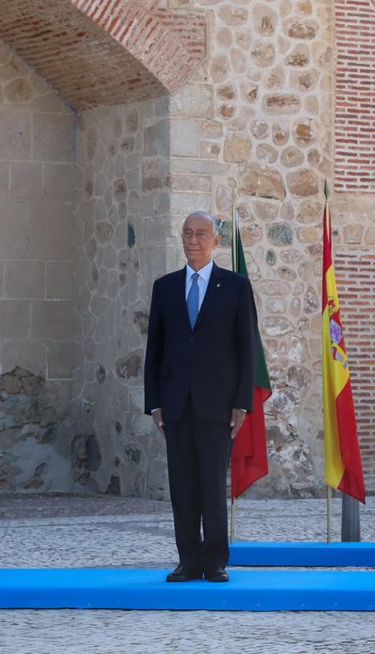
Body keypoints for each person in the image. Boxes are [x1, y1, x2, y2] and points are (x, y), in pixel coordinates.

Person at [144, 212, 257, 583]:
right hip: (175, 404)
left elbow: (247, 348)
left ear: (215, 242)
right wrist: (155, 403)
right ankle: (188, 561)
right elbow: (155, 350)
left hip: (218, 403)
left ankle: (215, 561)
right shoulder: (164, 287)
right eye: (188, 233)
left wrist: (242, 402)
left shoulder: (236, 286)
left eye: (201, 234)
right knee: (182, 485)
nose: (193, 240)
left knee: (211, 484)